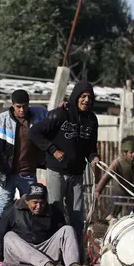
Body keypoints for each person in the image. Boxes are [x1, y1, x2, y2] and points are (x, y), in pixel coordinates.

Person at [0, 89, 48, 266]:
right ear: (12, 105)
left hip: (28, 174)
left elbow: (56, 119)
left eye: (25, 106)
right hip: (6, 175)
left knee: (34, 212)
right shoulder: (0, 120)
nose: (22, 110)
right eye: (18, 107)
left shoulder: (39, 115)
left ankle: (34, 257)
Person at [28, 80, 100, 247]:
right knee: (56, 210)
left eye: (89, 97)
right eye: (83, 96)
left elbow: (91, 147)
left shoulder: (92, 120)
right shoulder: (61, 114)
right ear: (76, 97)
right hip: (56, 171)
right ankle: (53, 248)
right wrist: (53, 150)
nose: (86, 100)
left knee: (77, 215)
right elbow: (35, 132)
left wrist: (94, 158)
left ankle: (75, 254)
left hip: (76, 174)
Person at [0, 183, 91, 266]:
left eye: (42, 203)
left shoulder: (53, 211)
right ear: (27, 201)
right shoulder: (12, 210)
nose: (39, 206)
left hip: (45, 253)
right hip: (22, 254)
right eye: (35, 202)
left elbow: (64, 242)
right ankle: (44, 264)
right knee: (9, 236)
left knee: (68, 229)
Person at [94, 139, 134, 220]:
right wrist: (98, 190)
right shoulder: (118, 162)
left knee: (132, 217)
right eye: (131, 152)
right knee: (111, 216)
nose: (133, 154)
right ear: (124, 153)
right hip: (119, 193)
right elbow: (106, 176)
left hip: (133, 193)